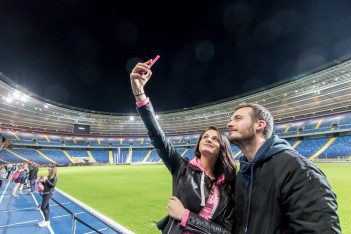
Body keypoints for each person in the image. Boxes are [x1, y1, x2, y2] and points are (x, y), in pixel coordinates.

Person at [130, 60, 237, 233]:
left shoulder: (228, 185)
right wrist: (139, 93)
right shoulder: (181, 168)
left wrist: (185, 216)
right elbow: (158, 137)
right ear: (199, 144)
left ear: (222, 149)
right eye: (205, 137)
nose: (209, 139)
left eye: (216, 139)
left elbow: (226, 231)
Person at [227, 103, 341, 233]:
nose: (229, 124)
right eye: (230, 120)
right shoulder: (243, 172)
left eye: (238, 118)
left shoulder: (298, 169)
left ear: (260, 125)